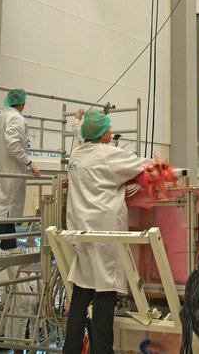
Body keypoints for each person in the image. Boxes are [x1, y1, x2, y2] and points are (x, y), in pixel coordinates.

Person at [63, 111, 147, 354]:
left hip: (80, 233)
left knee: (81, 289)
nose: (111, 132)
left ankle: (71, 349)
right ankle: (102, 350)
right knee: (104, 292)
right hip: (104, 235)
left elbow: (80, 139)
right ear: (103, 134)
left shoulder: (76, 155)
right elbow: (143, 165)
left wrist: (78, 121)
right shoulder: (109, 155)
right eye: (108, 129)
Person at [0, 89, 41, 253]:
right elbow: (13, 144)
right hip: (12, 168)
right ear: (22, 102)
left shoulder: (3, 115)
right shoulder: (17, 118)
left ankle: (8, 244)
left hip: (4, 166)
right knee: (7, 207)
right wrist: (29, 162)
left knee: (9, 206)